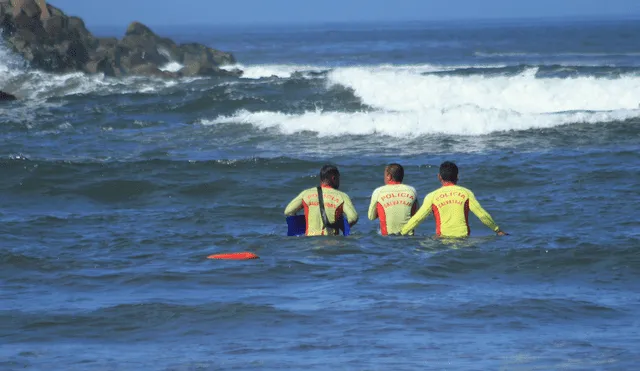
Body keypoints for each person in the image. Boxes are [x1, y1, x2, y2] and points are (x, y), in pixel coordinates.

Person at [401, 161, 507, 237]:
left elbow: (418, 218)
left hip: (442, 240)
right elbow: (482, 214)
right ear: (457, 176)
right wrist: (497, 230)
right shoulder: (466, 193)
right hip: (463, 240)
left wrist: (402, 233)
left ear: (439, 177)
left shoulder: (432, 196)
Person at [284, 165, 358, 236]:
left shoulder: (306, 194)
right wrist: (342, 226)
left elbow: (288, 211)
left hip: (310, 243)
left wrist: (303, 223)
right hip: (332, 243)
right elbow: (353, 217)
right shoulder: (342, 196)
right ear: (334, 178)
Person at [368, 163, 419, 235]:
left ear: (389, 176)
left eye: (385, 175)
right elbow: (417, 215)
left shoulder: (378, 192)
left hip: (387, 239)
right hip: (409, 239)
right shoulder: (412, 191)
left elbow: (371, 217)